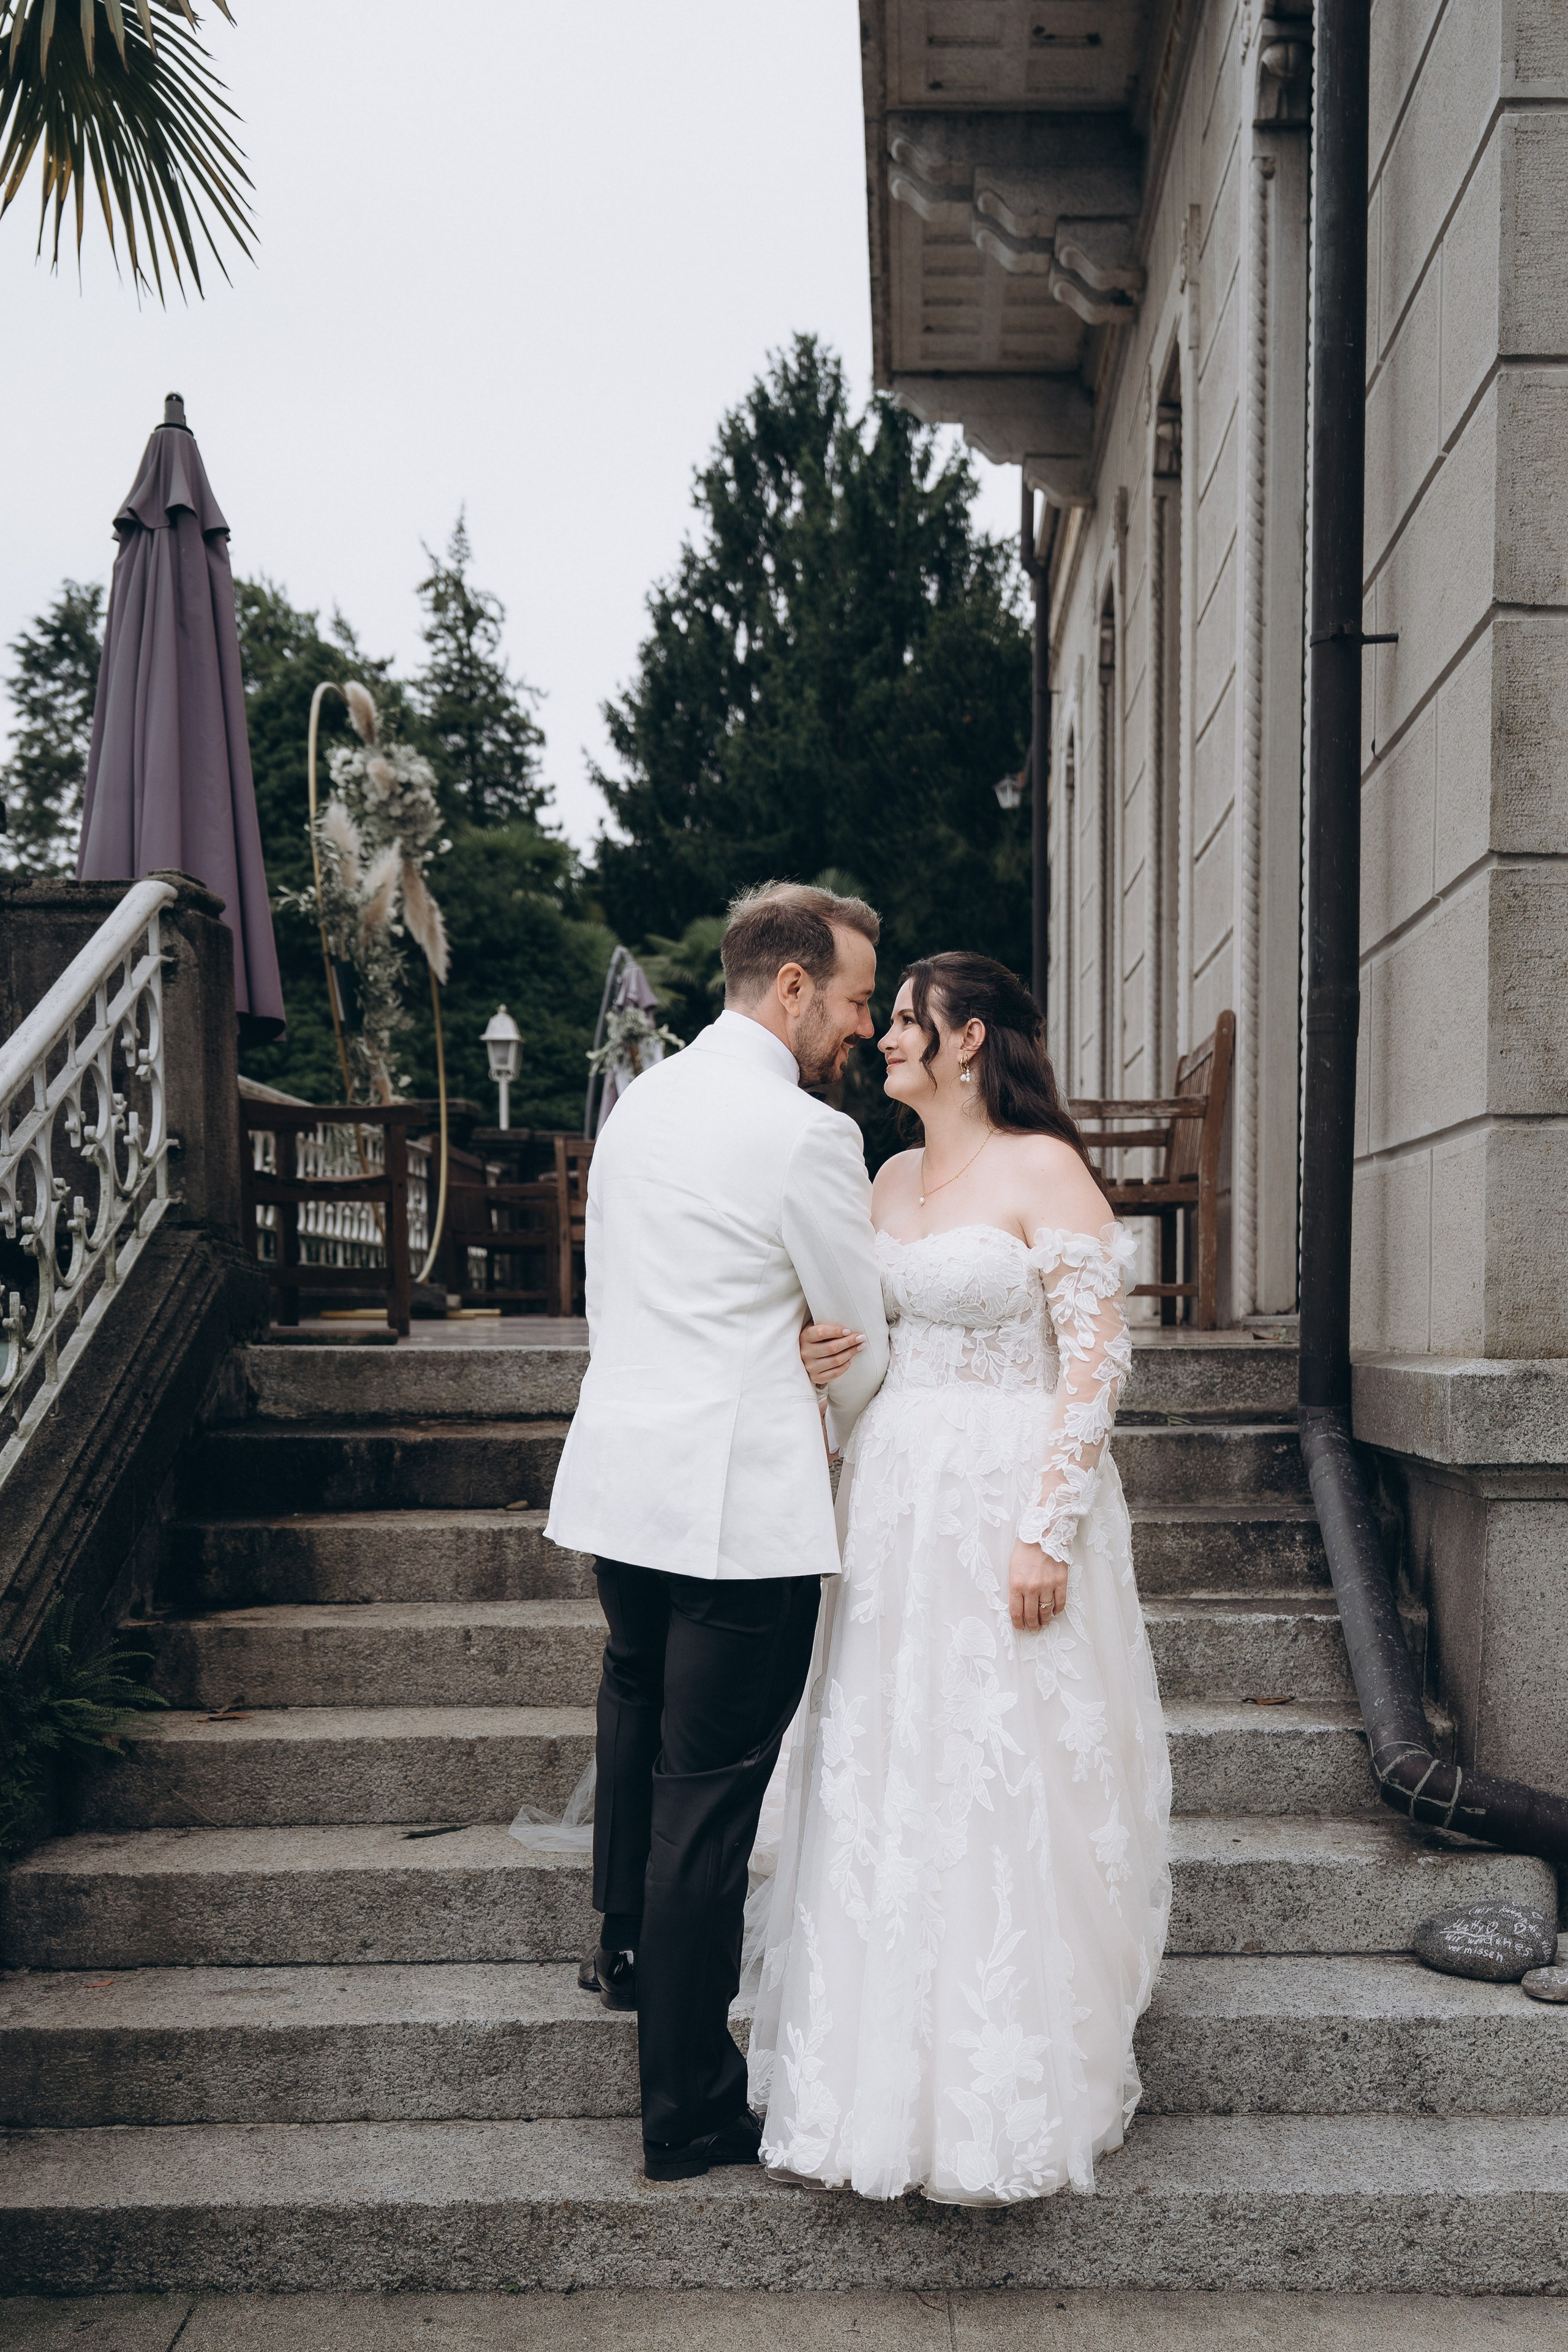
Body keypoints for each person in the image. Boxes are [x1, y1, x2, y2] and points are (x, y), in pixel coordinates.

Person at [748, 951, 1171, 2204]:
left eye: (904, 1025)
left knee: (1001, 1757)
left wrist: (1046, 1528)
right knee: (891, 1758)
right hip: (888, 1496)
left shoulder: (1044, 1169)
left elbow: (1094, 1365)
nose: (881, 1040)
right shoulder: (880, 1176)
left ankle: (1008, 2076)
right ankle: (867, 2071)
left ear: (968, 1039)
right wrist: (821, 1352)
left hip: (1001, 1496)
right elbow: (863, 1335)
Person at [543, 881, 890, 2183]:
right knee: (709, 1797)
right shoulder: (803, 1135)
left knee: (633, 1701)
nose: (859, 1025)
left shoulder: (639, 1109)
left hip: (621, 1482)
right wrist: (837, 1392)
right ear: (790, 986)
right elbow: (855, 1337)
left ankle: (623, 1944)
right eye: (853, 997)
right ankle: (686, 2106)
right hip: (736, 1505)